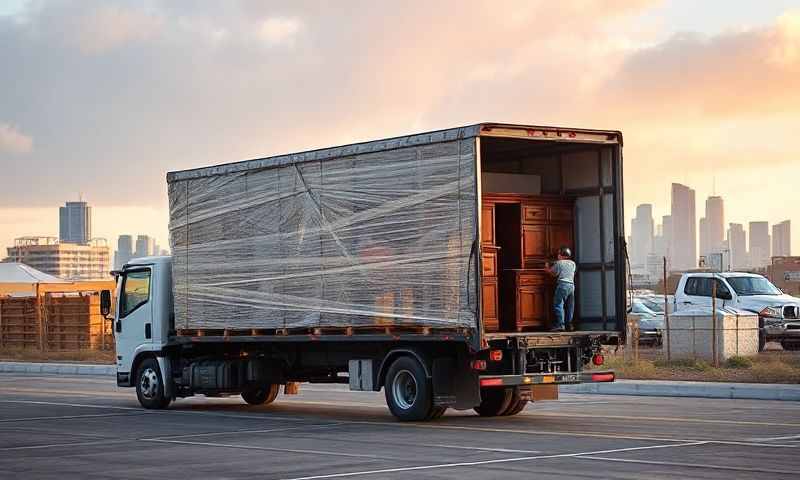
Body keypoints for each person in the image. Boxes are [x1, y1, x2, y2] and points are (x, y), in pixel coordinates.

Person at [546, 246, 576, 332]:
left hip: (563, 285)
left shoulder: (559, 263)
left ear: (562, 255)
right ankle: (569, 325)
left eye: (558, 254)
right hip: (571, 286)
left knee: (558, 304)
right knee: (570, 306)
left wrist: (547, 267)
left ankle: (560, 325)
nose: (557, 255)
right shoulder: (573, 263)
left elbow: (553, 273)